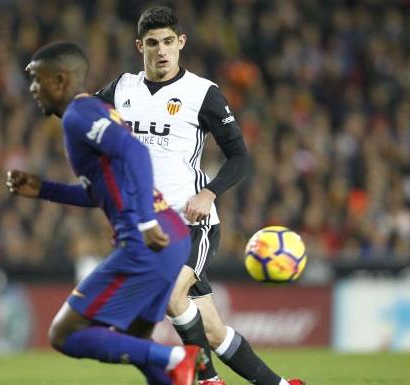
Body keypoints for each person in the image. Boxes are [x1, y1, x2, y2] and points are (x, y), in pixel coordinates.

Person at [96, 7, 305, 385]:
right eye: (153, 44)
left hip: (193, 222)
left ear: (181, 44)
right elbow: (85, 119)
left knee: (170, 296)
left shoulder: (202, 93)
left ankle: (207, 379)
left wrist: (209, 193)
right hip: (152, 227)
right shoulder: (121, 88)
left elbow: (240, 156)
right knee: (212, 332)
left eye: (169, 43)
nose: (161, 51)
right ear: (139, 46)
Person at [6, 41, 201, 385]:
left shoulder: (79, 116)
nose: (32, 89)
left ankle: (175, 356)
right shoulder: (92, 112)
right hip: (173, 237)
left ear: (62, 81)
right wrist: (44, 189)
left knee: (63, 334)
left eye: (38, 79)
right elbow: (103, 192)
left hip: (147, 242)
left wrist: (144, 221)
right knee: (137, 342)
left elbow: (136, 152)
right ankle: (169, 362)